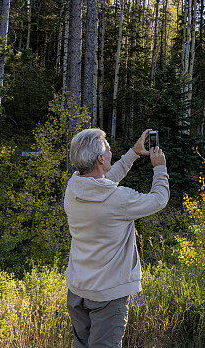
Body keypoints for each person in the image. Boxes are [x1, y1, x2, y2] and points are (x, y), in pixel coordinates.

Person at [64, 128, 169, 348]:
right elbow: (159, 199)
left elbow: (104, 181)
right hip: (107, 295)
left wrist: (133, 153)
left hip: (77, 291)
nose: (111, 153)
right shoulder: (117, 199)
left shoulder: (73, 189)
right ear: (101, 158)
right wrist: (160, 169)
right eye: (109, 150)